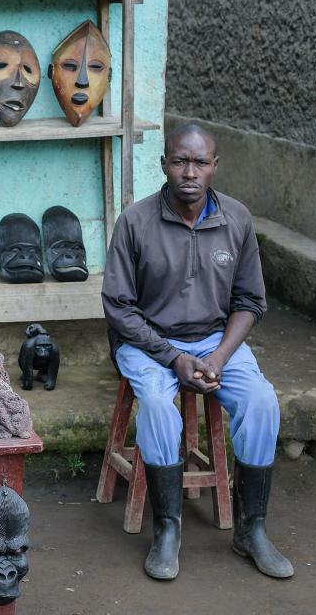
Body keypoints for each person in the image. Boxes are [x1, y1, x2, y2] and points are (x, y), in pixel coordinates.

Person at [101, 123, 293, 581]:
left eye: (200, 162)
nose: (190, 172)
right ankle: (167, 530)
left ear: (214, 167)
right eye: (180, 161)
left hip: (215, 341)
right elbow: (119, 310)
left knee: (262, 402)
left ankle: (252, 529)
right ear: (164, 164)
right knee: (158, 407)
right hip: (148, 342)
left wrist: (220, 357)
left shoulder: (237, 219)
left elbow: (250, 302)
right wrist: (173, 358)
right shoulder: (136, 221)